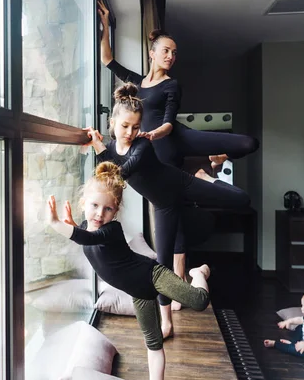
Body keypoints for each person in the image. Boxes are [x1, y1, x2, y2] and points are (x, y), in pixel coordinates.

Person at [98, 0, 259, 291]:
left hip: (174, 137)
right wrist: (106, 25)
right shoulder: (137, 84)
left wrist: (153, 133)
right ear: (152, 54)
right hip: (159, 158)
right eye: (166, 51)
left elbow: (170, 122)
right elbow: (107, 60)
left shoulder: (172, 85)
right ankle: (179, 285)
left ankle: (218, 157)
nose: (171, 56)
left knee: (249, 142)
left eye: (174, 53)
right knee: (174, 218)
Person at [84, 83, 250, 338]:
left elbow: (121, 172)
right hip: (162, 206)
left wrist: (99, 148)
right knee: (162, 269)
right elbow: (110, 171)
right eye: (125, 126)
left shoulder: (142, 146)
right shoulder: (112, 149)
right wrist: (97, 144)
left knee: (241, 199)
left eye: (136, 127)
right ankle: (166, 322)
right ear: (113, 122)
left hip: (182, 184)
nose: (130, 132)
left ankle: (206, 177)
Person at [47, 161, 210, 380]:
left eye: (108, 209)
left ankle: (199, 272)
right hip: (139, 292)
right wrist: (73, 224)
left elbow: (89, 239)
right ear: (83, 203)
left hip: (153, 275)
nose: (99, 214)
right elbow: (85, 233)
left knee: (200, 301)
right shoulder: (86, 226)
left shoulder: (111, 230)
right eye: (94, 205)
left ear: (116, 211)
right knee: (153, 343)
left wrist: (56, 223)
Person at [264, 293, 304, 358]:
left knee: (299, 351)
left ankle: (276, 344)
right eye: (302, 306)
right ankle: (293, 343)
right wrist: (288, 321)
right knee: (300, 327)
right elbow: (299, 319)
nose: (302, 309)